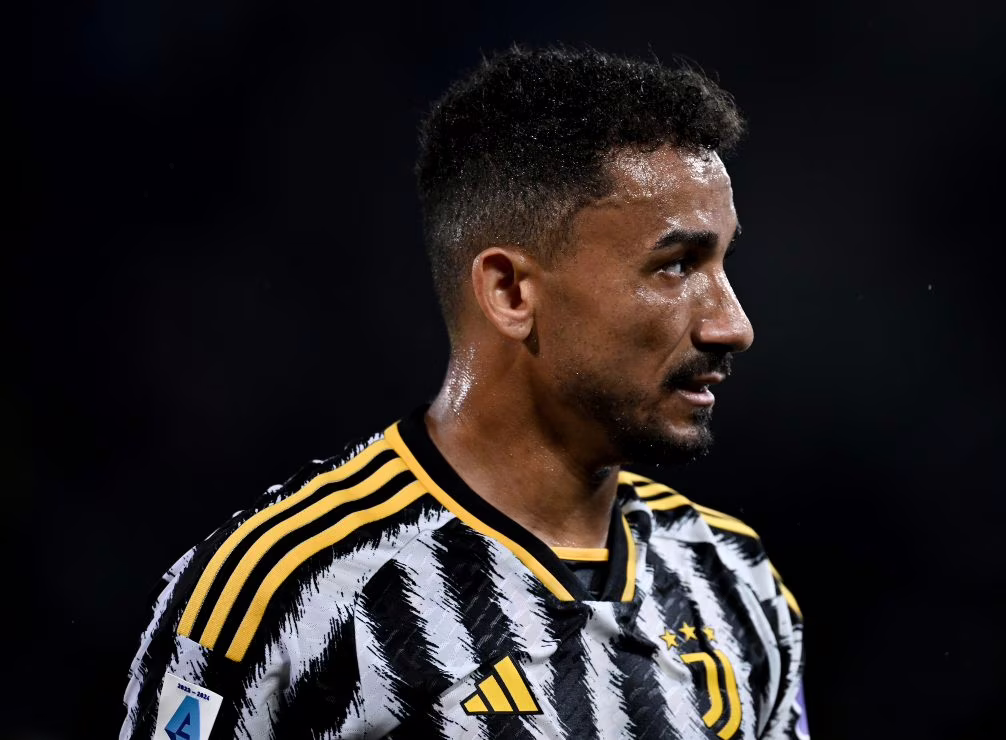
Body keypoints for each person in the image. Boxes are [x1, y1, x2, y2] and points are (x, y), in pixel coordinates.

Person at [120, 45, 808, 740]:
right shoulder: (285, 593)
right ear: (509, 291)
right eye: (676, 265)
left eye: (723, 262)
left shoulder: (736, 579)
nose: (733, 325)